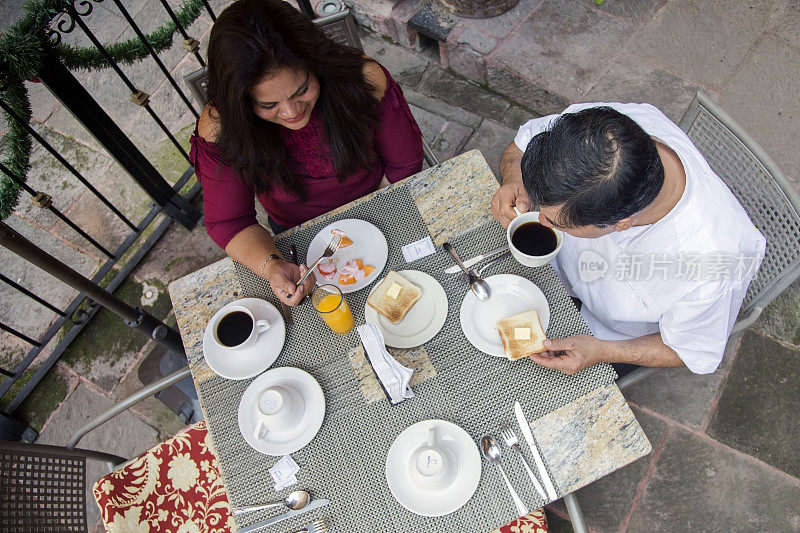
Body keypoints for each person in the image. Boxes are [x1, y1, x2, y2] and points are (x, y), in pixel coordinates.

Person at [491, 103, 765, 376]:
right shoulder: (606, 132)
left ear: (622, 224)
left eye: (556, 223)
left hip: (604, 337)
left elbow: (687, 348)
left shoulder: (715, 265)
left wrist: (603, 351)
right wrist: (514, 178)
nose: (539, 221)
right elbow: (519, 147)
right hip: (554, 276)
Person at [190, 0, 424, 306]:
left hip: (380, 201)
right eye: (268, 105)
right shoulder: (221, 128)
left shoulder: (362, 79)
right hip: (295, 236)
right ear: (242, 102)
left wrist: (378, 218)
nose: (291, 112)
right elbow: (230, 222)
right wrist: (271, 265)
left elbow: (404, 165)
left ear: (316, 64)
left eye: (301, 90)